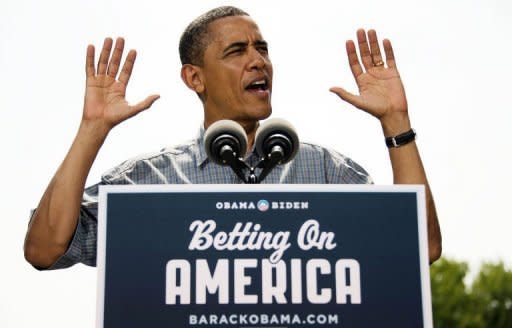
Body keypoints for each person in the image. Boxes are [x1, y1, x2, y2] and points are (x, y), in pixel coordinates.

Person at [23, 6, 441, 270]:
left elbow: (422, 247)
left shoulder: (327, 171)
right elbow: (44, 249)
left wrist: (396, 123)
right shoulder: (148, 180)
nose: (258, 61)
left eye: (262, 48)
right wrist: (90, 132)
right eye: (236, 51)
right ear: (194, 77)